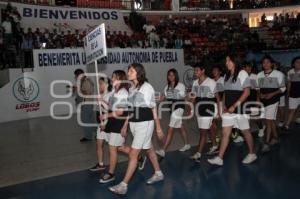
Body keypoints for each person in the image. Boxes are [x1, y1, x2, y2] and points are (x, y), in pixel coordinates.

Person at [109, 63, 164, 195]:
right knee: (149, 149)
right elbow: (130, 108)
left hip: (145, 123)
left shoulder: (147, 87)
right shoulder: (132, 88)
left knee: (134, 154)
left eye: (131, 71)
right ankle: (158, 173)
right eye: (128, 70)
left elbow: (153, 107)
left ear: (138, 72)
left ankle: (123, 185)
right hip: (134, 123)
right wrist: (125, 125)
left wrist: (158, 128)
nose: (129, 72)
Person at [208, 54, 257, 166]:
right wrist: (224, 105)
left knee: (245, 132)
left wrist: (234, 106)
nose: (227, 63)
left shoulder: (242, 73)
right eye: (226, 61)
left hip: (240, 109)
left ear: (236, 61)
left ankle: (251, 154)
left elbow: (247, 92)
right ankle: (220, 158)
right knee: (225, 133)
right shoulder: (226, 75)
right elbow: (226, 92)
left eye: (229, 61)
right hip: (228, 111)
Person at [99, 70, 129, 183]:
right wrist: (102, 101)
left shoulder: (123, 93)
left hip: (119, 122)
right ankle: (138, 157)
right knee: (119, 147)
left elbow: (120, 111)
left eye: (114, 77)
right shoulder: (114, 92)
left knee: (112, 148)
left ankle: (111, 173)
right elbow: (112, 107)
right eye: (112, 77)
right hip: (113, 121)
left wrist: (106, 115)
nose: (112, 79)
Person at [189, 63, 220, 162]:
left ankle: (198, 153)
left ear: (203, 71)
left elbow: (217, 98)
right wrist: (191, 109)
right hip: (199, 108)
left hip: (209, 108)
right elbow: (193, 97)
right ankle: (215, 145)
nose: (195, 72)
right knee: (209, 127)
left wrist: (218, 111)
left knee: (203, 132)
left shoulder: (211, 82)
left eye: (197, 70)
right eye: (194, 70)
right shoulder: (195, 83)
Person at [156, 68, 190, 158]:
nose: (171, 76)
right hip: (172, 109)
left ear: (176, 76)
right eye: (169, 75)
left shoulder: (180, 85)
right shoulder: (167, 87)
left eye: (172, 75)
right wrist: (155, 99)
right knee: (180, 126)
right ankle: (187, 144)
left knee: (170, 128)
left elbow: (183, 97)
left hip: (179, 108)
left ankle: (163, 150)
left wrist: (190, 106)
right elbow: (163, 98)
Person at [257, 55, 286, 153]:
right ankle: (276, 137)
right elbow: (258, 88)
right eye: (263, 62)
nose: (265, 64)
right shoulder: (259, 75)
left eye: (267, 62)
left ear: (272, 64)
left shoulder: (278, 74)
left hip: (273, 101)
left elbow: (282, 88)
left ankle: (266, 143)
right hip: (263, 101)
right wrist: (259, 97)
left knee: (268, 120)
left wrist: (271, 94)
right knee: (270, 120)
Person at [89, 77, 113, 172]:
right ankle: (100, 164)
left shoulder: (110, 95)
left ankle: (138, 157)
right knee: (99, 144)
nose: (99, 86)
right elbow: (99, 110)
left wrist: (101, 101)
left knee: (119, 147)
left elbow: (109, 109)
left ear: (107, 84)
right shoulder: (101, 94)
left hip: (108, 124)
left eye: (101, 83)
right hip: (101, 124)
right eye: (98, 84)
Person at [71, 69, 95, 142]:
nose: (75, 77)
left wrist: (77, 89)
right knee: (90, 121)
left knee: (85, 121)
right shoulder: (82, 81)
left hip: (87, 104)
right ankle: (98, 133)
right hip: (85, 104)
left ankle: (88, 137)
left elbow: (87, 93)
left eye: (76, 75)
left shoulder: (86, 81)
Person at [243, 62, 265, 137]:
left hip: (253, 98)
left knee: (255, 116)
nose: (248, 69)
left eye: (249, 67)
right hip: (245, 99)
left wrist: (258, 100)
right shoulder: (241, 77)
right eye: (246, 67)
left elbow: (258, 90)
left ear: (251, 68)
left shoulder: (255, 76)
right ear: (243, 69)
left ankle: (261, 129)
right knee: (246, 117)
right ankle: (247, 132)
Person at [283, 56, 300, 130]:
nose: (299, 63)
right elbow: (289, 83)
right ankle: (287, 125)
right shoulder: (290, 72)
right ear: (293, 64)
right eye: (297, 62)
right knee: (292, 110)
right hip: (293, 94)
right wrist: (288, 92)